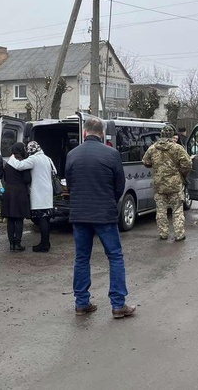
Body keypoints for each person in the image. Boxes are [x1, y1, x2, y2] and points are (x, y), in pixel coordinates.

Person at [66, 117, 135, 319]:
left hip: (79, 214)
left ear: (85, 133)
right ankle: (118, 304)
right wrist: (109, 201)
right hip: (104, 214)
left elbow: (69, 184)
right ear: (102, 134)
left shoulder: (72, 154)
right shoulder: (112, 154)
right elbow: (119, 186)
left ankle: (81, 303)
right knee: (115, 257)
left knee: (81, 258)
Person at [142, 125, 192, 241]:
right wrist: (183, 174)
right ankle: (179, 234)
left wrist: (156, 167)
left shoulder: (153, 148)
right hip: (175, 184)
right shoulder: (178, 148)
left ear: (161, 134)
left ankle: (163, 233)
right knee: (177, 209)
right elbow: (187, 164)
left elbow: (145, 161)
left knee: (161, 210)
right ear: (172, 135)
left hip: (159, 184)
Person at [6, 140, 55, 252]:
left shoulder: (34, 159)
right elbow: (54, 171)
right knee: (46, 218)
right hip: (47, 190)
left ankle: (44, 244)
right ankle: (46, 242)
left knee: (41, 218)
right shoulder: (47, 158)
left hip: (38, 191)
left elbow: (19, 166)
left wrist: (12, 158)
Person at [1, 142, 31, 251]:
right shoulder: (23, 162)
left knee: (10, 219)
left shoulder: (8, 162)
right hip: (20, 192)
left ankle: (11, 243)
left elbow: (4, 177)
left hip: (9, 191)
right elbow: (27, 179)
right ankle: (17, 243)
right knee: (19, 219)